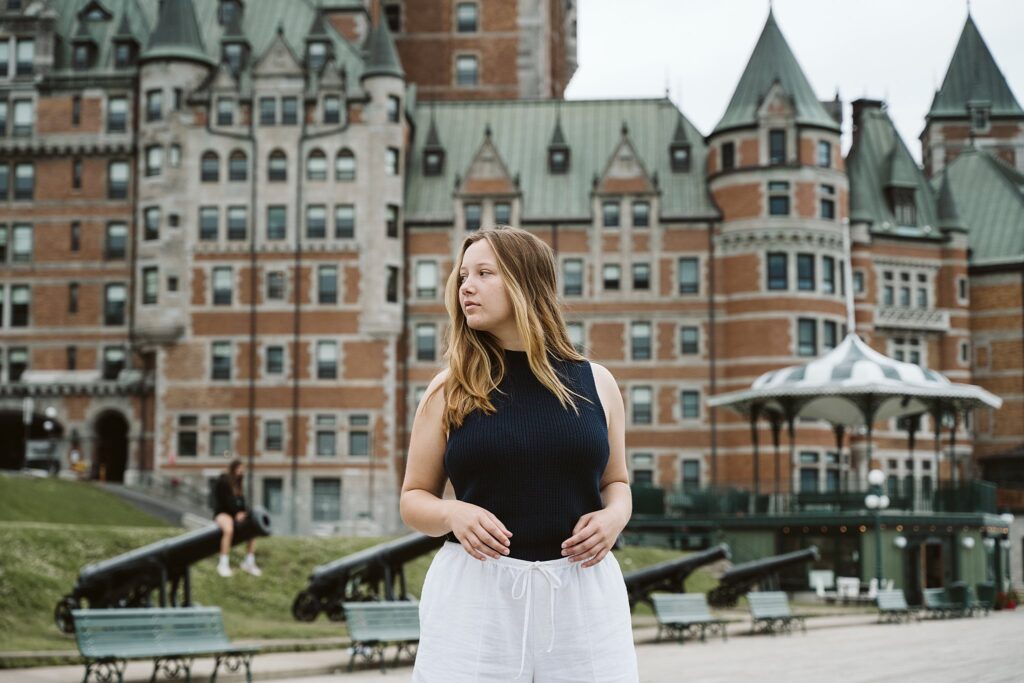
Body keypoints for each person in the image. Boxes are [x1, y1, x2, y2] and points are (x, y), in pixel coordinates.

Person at [401, 226, 638, 681]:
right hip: (475, 600)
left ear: (525, 283)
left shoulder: (598, 383)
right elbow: (414, 497)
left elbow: (617, 483)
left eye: (484, 273)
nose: (465, 285)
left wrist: (614, 518)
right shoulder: (449, 388)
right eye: (463, 274)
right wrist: (453, 514)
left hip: (583, 595)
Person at [213, 458, 261, 577]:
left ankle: (249, 562)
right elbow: (225, 502)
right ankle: (223, 564)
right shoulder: (224, 481)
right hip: (223, 513)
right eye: (240, 469)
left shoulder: (238, 485)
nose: (242, 471)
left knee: (252, 530)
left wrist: (245, 513)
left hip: (235, 514)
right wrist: (236, 514)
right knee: (228, 530)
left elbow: (242, 503)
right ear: (234, 468)